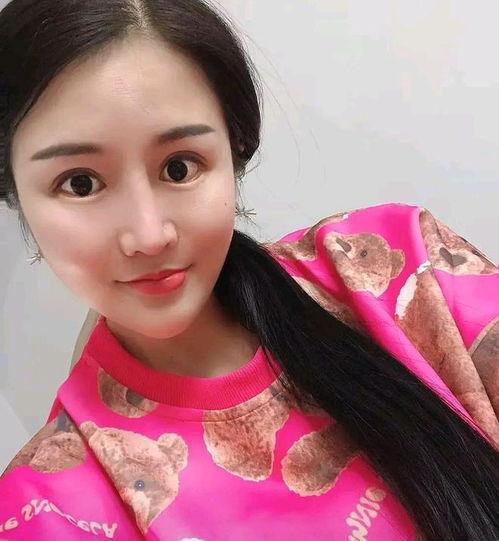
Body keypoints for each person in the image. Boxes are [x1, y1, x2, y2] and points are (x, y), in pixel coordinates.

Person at [0, 1, 497, 539]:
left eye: (179, 167)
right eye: (80, 183)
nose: (148, 235)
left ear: (234, 153)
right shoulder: (50, 509)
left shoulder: (398, 270)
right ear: (15, 192)